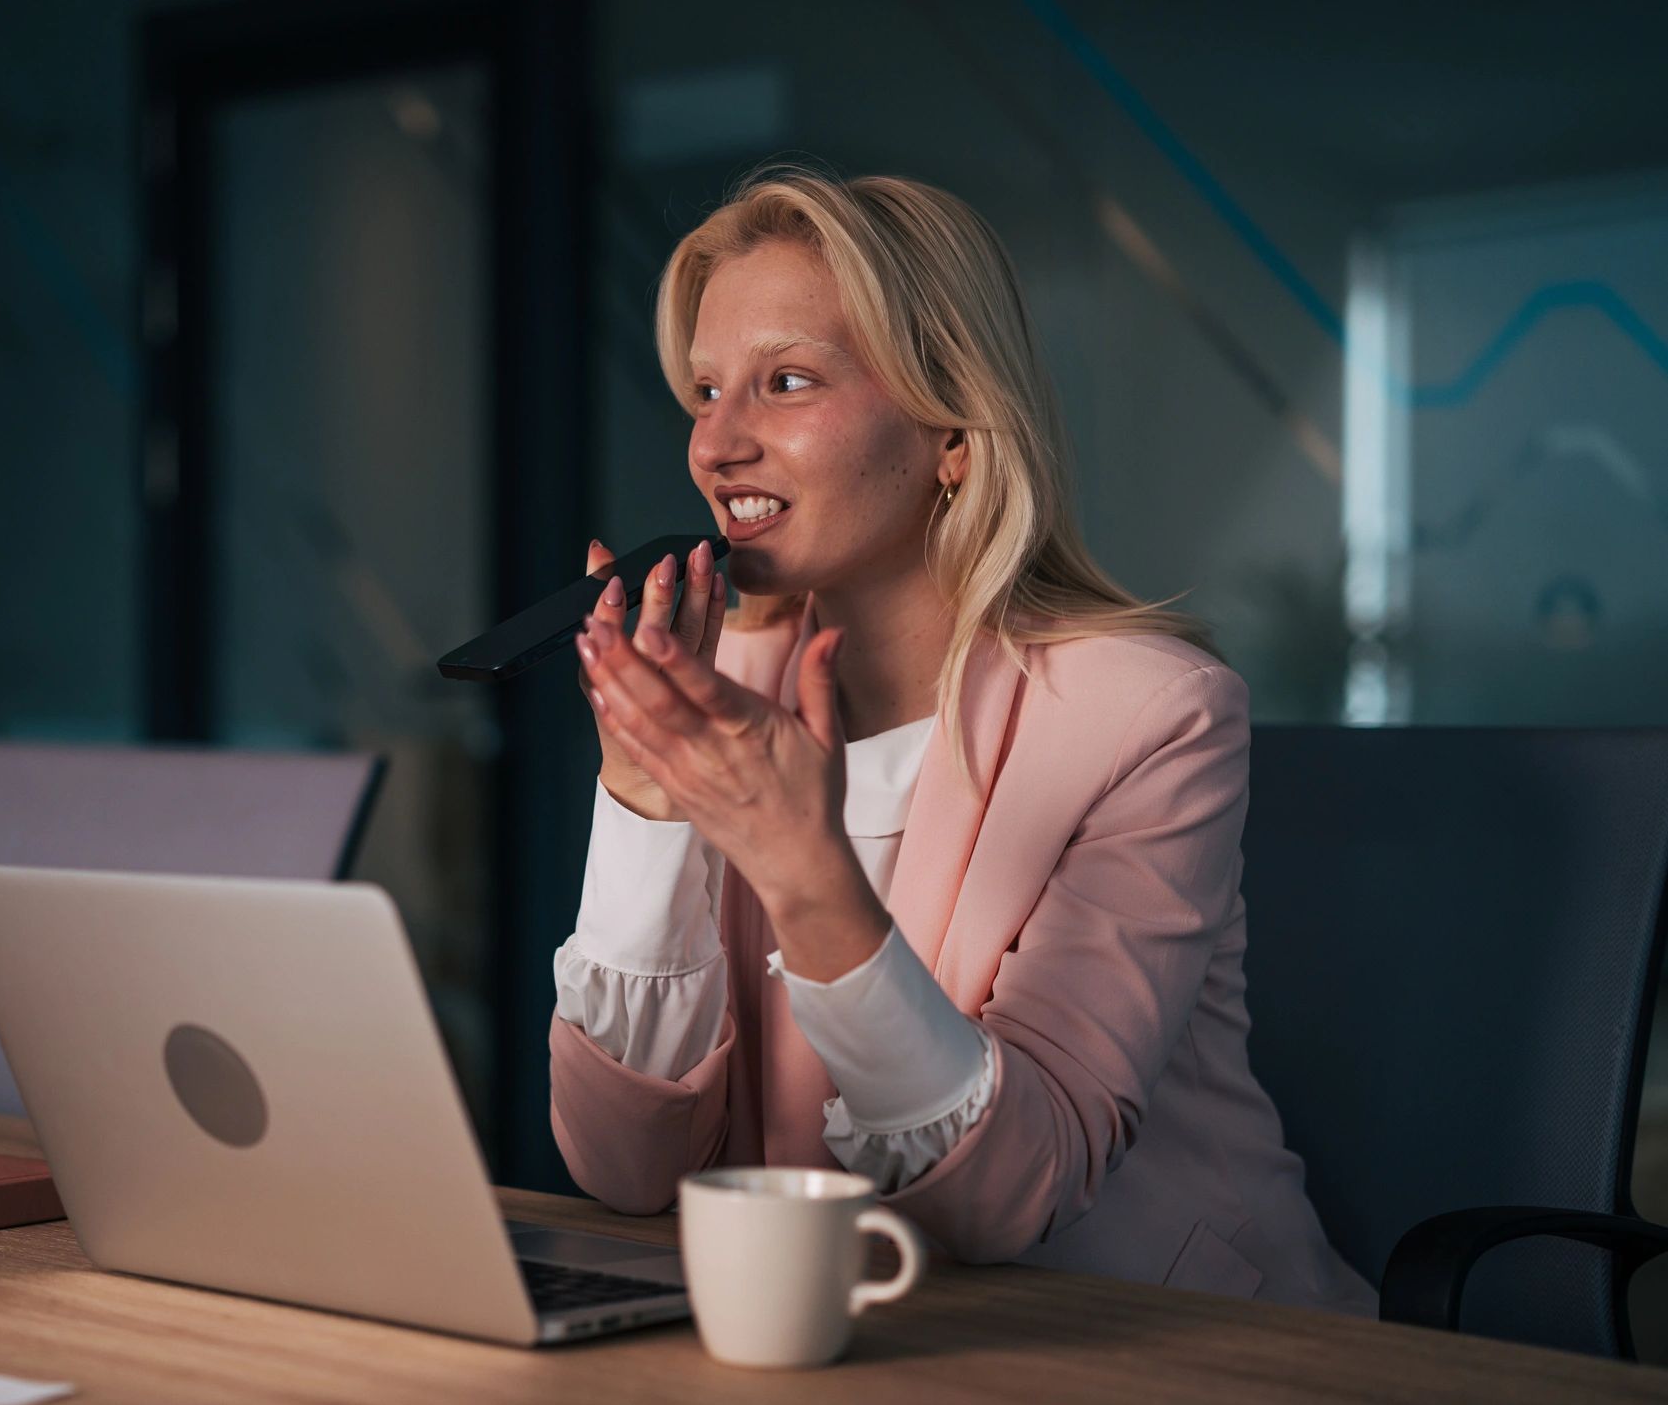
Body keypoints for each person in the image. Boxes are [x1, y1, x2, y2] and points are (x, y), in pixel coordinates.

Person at [550, 162, 1376, 1316]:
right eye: (703, 392)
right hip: (846, 1339)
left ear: (951, 428)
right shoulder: (726, 694)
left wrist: (805, 870)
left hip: (1161, 1348)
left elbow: (1007, 1198)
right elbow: (624, 1170)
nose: (714, 445)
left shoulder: (1151, 715)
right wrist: (641, 795)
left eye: (784, 381)